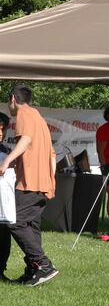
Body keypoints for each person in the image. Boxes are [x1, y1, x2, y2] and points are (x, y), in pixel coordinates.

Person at [0, 85, 58, 286]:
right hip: (42, 182)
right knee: (32, 226)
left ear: (13, 99)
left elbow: (25, 141)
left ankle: (43, 265)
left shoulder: (23, 114)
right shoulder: (39, 118)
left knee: (15, 221)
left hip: (29, 182)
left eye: (9, 102)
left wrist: (7, 161)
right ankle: (33, 271)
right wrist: (52, 181)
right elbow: (52, 153)